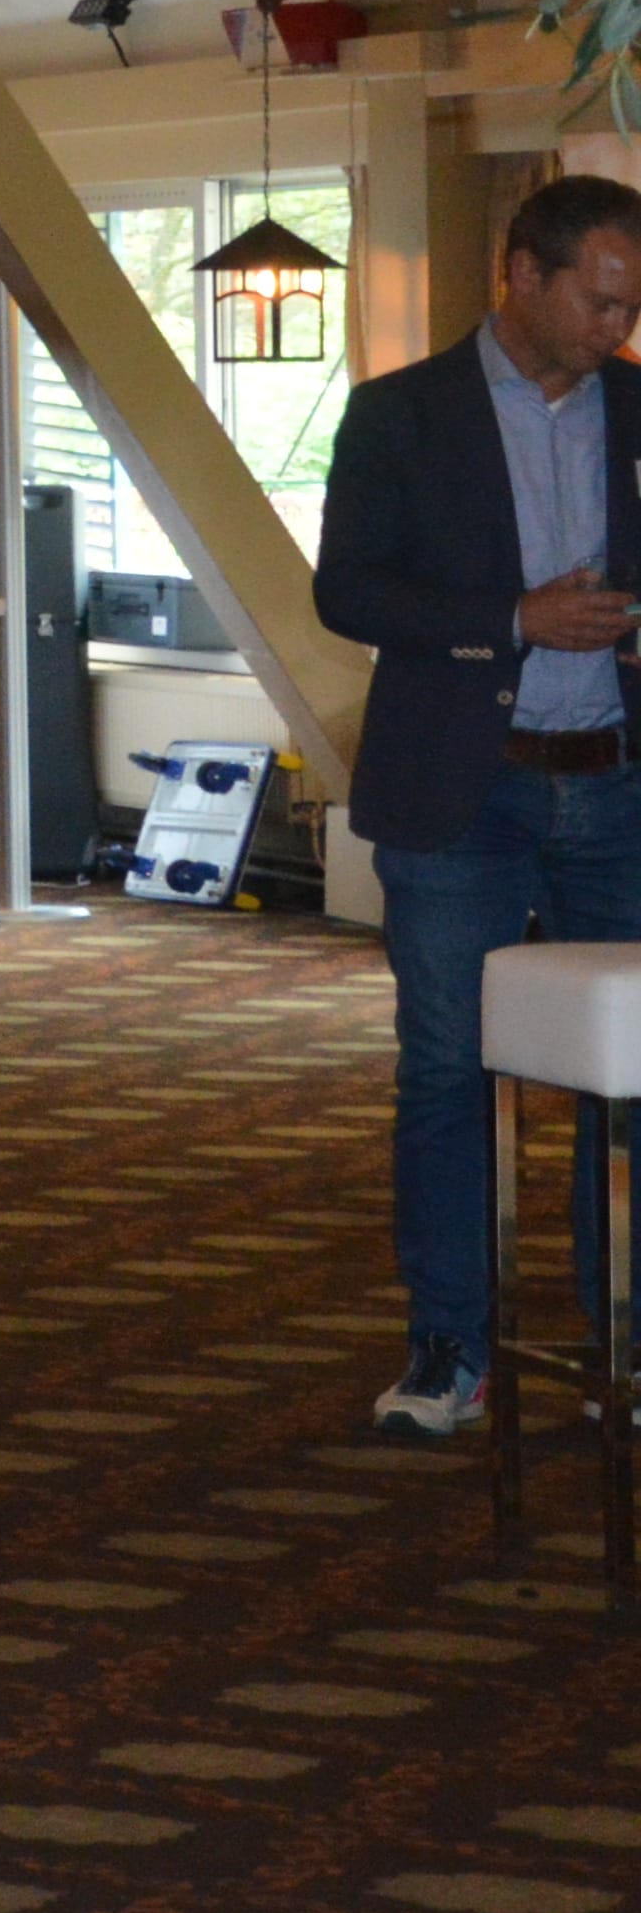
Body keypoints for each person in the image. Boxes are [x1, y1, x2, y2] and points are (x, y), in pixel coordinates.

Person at [314, 170, 641, 1435]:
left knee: (630, 1078)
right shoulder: (399, 414)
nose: (616, 326)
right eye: (597, 301)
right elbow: (348, 592)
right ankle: (449, 1349)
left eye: (629, 305)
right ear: (521, 274)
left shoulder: (635, 406)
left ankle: (622, 1348)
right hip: (463, 792)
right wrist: (510, 618)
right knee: (450, 1068)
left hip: (616, 788)